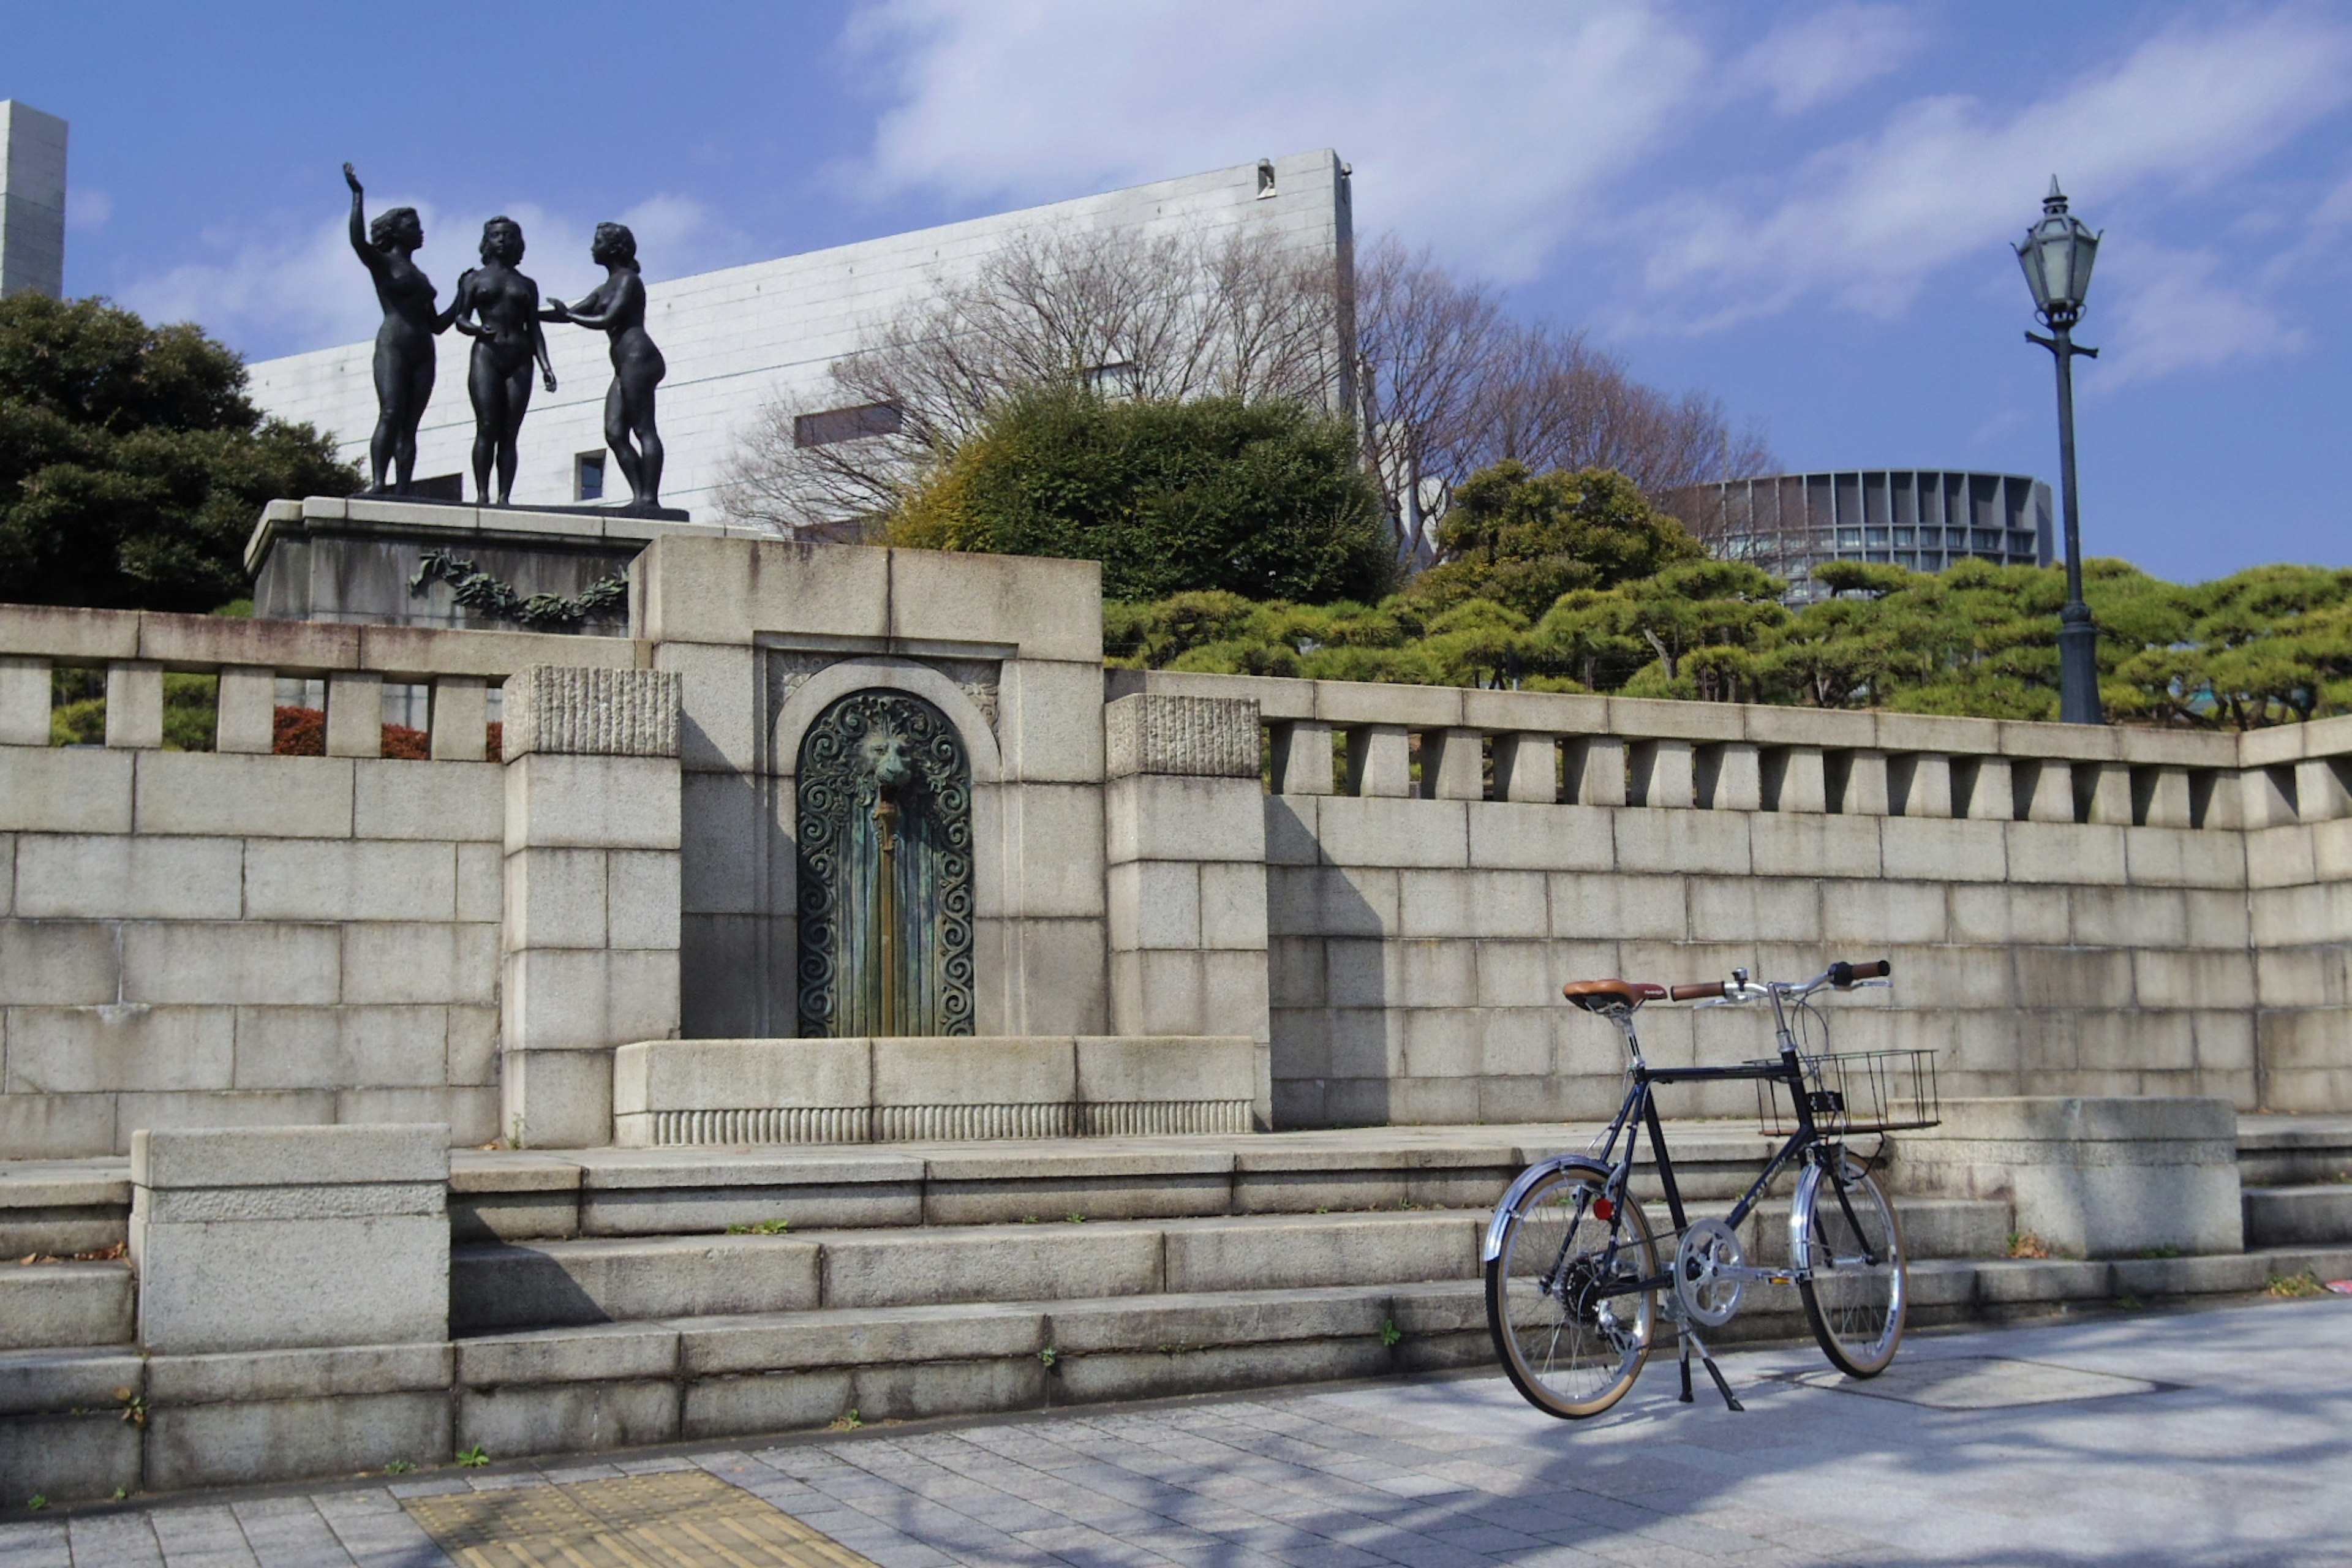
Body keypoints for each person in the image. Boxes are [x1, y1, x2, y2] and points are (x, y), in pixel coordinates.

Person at [548, 222, 667, 510]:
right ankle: (640, 495)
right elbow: (570, 314)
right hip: (624, 364)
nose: (592, 247)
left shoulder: (629, 281)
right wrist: (526, 314)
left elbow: (606, 319)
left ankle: (650, 497)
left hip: (640, 358)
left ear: (613, 248)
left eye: (597, 241)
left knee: (643, 429)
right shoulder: (604, 287)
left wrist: (569, 315)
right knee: (614, 433)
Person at [341, 164, 443, 494]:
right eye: (414, 226)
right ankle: (377, 482)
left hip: (424, 348)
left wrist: (463, 294)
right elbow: (358, 241)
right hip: (394, 344)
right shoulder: (383, 263)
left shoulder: (422, 276)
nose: (421, 231)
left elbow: (438, 324)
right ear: (397, 232)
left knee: (410, 426)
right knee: (390, 412)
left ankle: (402, 488)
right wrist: (358, 196)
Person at [443, 216, 556, 505]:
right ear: (487, 242)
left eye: (508, 235)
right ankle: (482, 494)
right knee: (487, 424)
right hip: (487, 354)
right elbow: (461, 318)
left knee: (510, 431)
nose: (502, 240)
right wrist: (478, 329)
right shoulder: (475, 279)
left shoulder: (527, 285)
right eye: (496, 236)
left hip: (520, 357)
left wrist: (546, 366)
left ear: (518, 242)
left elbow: (535, 328)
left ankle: (504, 496)